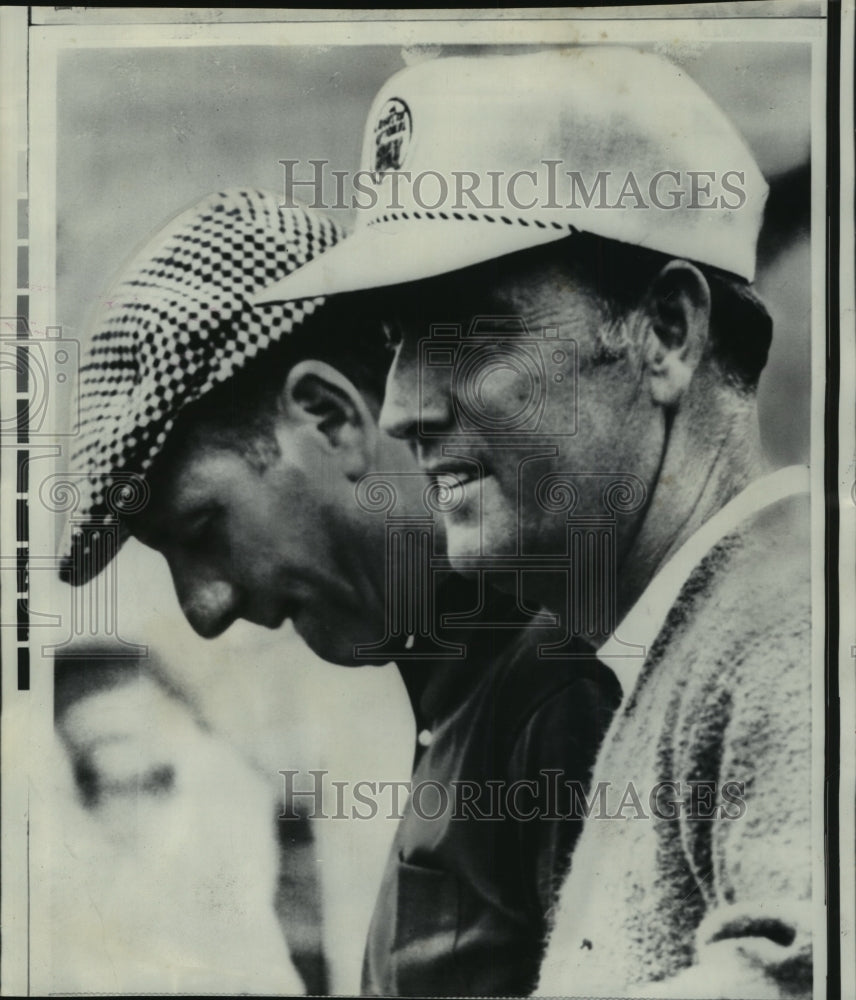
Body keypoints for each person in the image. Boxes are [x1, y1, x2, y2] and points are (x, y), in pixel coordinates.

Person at [258, 48, 813, 998]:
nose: (402, 409)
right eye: (396, 346)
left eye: (467, 333)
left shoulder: (801, 621)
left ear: (667, 334)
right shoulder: (674, 652)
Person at [59, 187, 620, 996]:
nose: (204, 610)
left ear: (329, 418)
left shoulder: (561, 686)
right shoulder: (469, 687)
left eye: (203, 530)